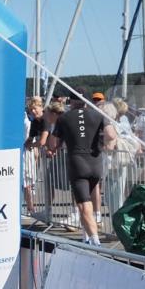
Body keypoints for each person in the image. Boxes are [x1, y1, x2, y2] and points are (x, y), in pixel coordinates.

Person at [48, 90, 106, 245]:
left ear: (71, 102)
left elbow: (53, 144)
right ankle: (86, 236)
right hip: (96, 162)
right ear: (86, 101)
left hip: (78, 163)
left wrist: (55, 146)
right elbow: (112, 135)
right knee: (89, 201)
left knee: (83, 204)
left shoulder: (64, 118)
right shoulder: (98, 115)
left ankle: (95, 240)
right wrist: (103, 144)